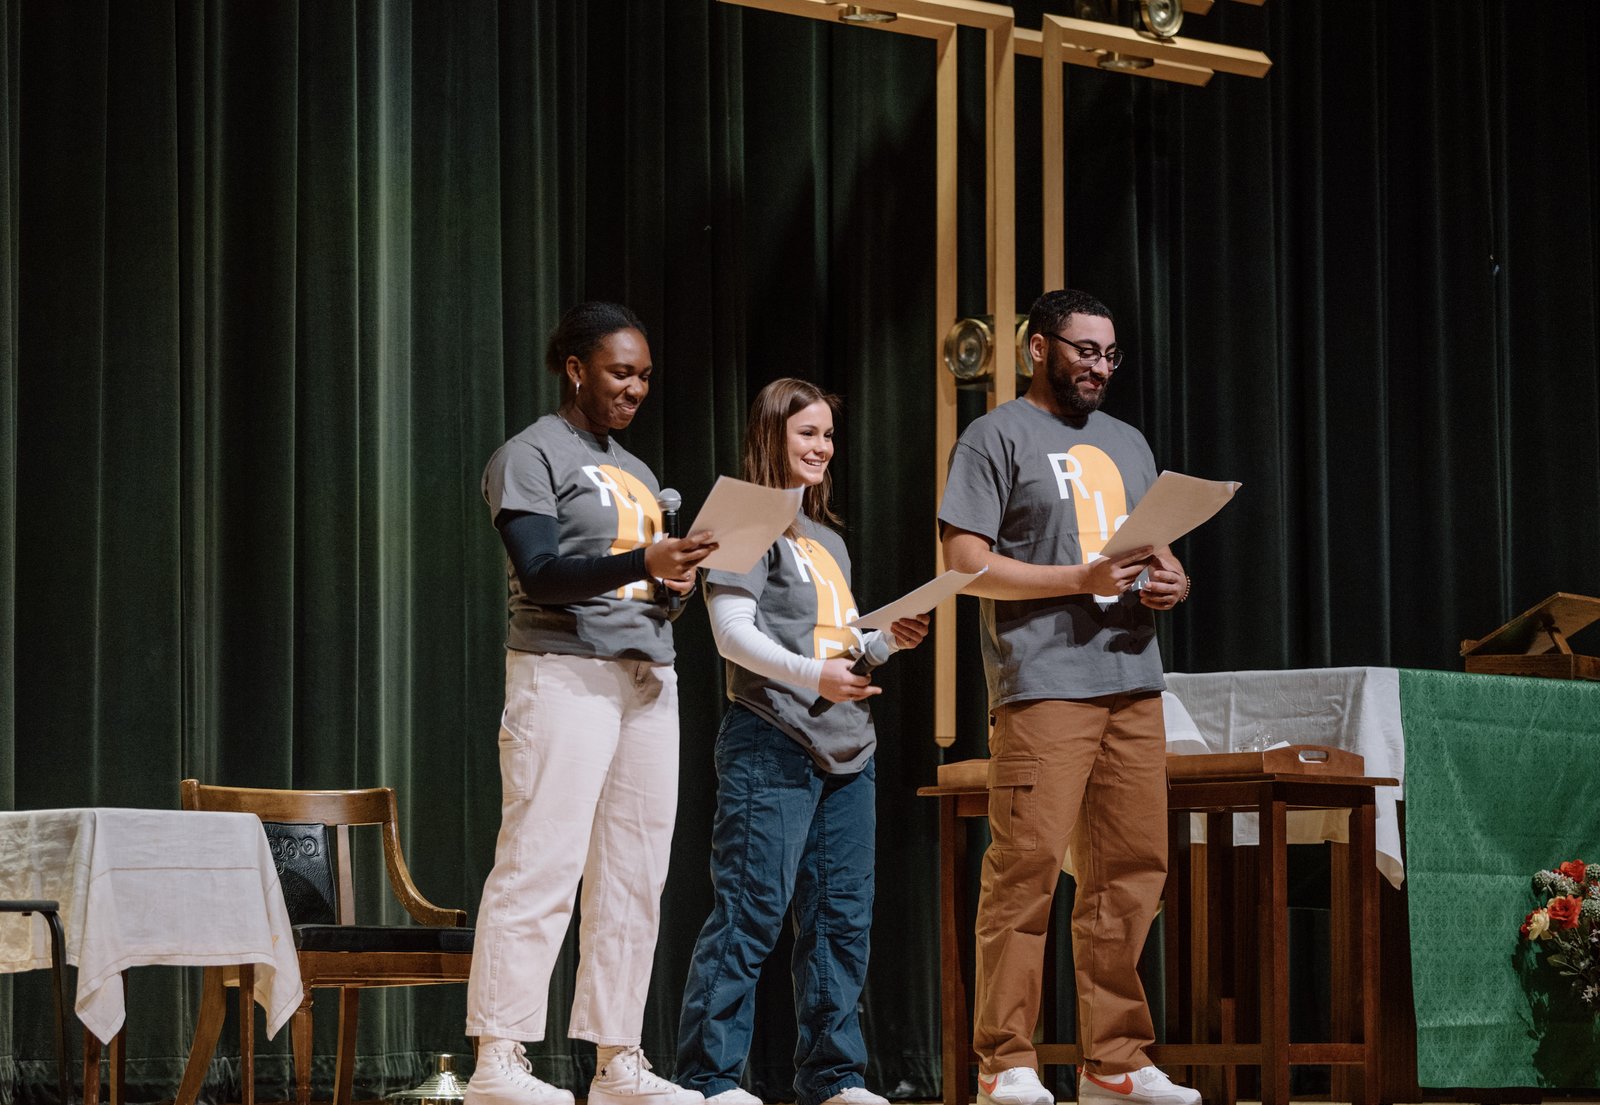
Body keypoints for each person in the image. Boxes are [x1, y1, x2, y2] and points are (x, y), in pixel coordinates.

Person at [937, 290, 1198, 1105]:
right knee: (1027, 872)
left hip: (1133, 680)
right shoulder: (995, 436)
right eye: (1086, 350)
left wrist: (1171, 580)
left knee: (1131, 874)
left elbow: (1155, 552)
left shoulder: (1128, 442)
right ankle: (1004, 1060)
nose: (1100, 367)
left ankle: (1113, 1059)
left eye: (1111, 354)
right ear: (1038, 348)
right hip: (1045, 684)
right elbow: (965, 563)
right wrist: (1077, 579)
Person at [466, 302, 717, 1105]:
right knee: (540, 859)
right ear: (575, 369)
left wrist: (675, 581)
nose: (634, 388)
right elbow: (542, 573)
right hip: (563, 671)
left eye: (644, 376)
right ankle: (498, 1057)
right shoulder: (530, 454)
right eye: (620, 372)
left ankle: (617, 1061)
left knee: (635, 875)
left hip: (648, 677)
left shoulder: (637, 471)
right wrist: (642, 559)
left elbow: (645, 587)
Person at [674, 378, 930, 1105]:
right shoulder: (743, 520)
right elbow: (731, 635)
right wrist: (817, 674)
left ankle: (833, 1075)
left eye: (828, 436)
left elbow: (835, 648)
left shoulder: (829, 541)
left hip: (849, 749)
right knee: (750, 910)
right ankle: (709, 1078)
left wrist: (885, 642)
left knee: (841, 919)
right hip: (773, 737)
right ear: (771, 436)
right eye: (807, 434)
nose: (822, 448)